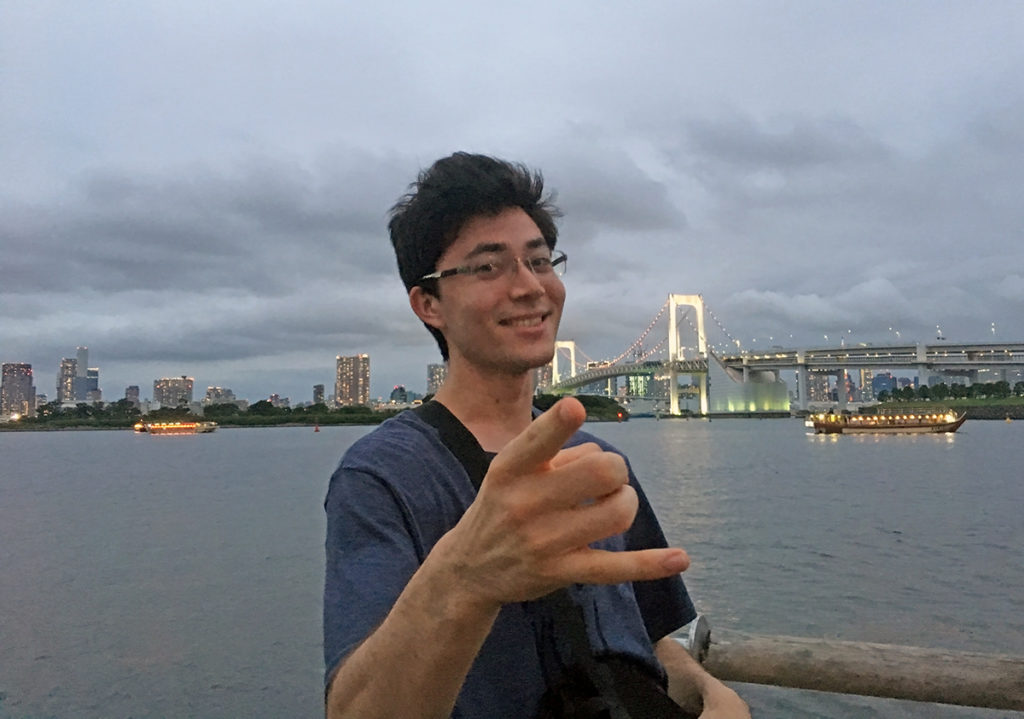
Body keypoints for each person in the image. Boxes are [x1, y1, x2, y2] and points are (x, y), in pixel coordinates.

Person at [323, 152, 749, 718]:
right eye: (488, 267)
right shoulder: (382, 476)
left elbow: (641, 636)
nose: (530, 288)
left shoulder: (596, 460)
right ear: (429, 304)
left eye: (541, 261)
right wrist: (466, 579)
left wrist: (708, 693)